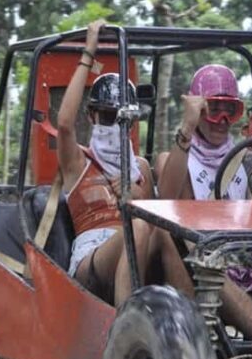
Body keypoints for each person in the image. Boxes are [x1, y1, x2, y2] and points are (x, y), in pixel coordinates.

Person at [58, 20, 190, 306]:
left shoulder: (139, 168)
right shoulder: (78, 163)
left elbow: (166, 204)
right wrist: (89, 51)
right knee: (139, 225)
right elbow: (65, 125)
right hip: (91, 262)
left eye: (124, 120)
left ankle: (201, 326)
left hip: (140, 256)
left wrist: (138, 199)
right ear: (92, 116)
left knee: (161, 229)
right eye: (108, 117)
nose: (116, 126)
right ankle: (125, 326)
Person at [156, 64, 252, 340]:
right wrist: (187, 127)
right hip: (205, 261)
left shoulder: (247, 160)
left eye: (230, 111)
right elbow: (164, 202)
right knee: (214, 272)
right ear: (198, 110)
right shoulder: (175, 158)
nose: (223, 119)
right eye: (213, 110)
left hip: (247, 256)